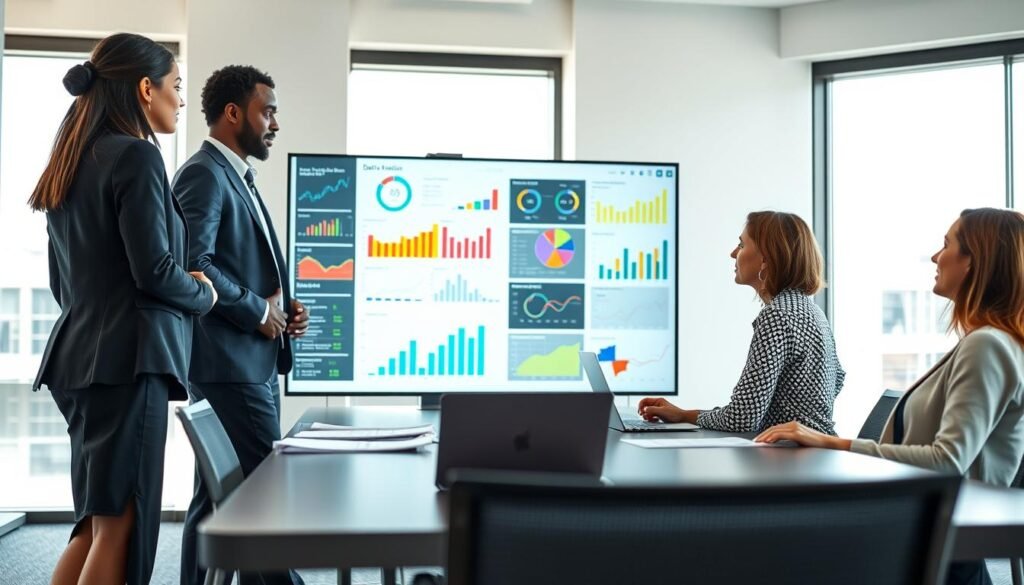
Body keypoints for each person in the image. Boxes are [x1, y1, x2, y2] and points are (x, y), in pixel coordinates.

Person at [28, 33, 217, 585]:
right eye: (176, 87)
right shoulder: (135, 156)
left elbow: (64, 284)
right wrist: (202, 292)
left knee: (95, 523)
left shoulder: (70, 160)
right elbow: (154, 271)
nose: (181, 100)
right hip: (128, 363)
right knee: (122, 526)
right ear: (144, 88)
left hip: (79, 360)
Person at [756, 208, 1024, 585]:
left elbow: (947, 461)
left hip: (941, 557)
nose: (935, 256)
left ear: (972, 263)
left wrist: (833, 443)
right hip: (933, 546)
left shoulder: (987, 346)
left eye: (947, 245)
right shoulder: (983, 343)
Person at [174, 65, 308, 585]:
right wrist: (256, 310)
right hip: (229, 366)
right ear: (234, 113)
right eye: (267, 110)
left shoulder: (236, 175)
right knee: (262, 499)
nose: (274, 122)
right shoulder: (204, 173)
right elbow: (194, 263)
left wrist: (284, 305)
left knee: (216, 499)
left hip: (248, 364)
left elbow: (238, 260)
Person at [638, 211, 844, 433]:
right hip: (812, 450)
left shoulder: (777, 316)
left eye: (741, 245)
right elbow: (838, 378)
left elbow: (742, 418)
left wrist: (686, 416)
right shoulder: (812, 310)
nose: (733, 253)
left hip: (790, 454)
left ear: (766, 258)